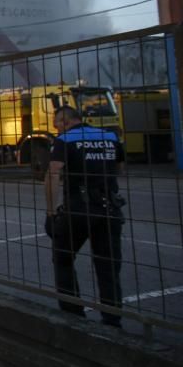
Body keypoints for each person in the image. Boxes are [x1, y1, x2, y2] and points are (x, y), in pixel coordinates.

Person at [44, 105, 125, 327]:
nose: (57, 130)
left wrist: (51, 213)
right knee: (107, 265)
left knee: (62, 257)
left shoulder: (65, 140)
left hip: (78, 209)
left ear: (65, 121)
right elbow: (119, 167)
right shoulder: (110, 136)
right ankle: (112, 319)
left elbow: (52, 174)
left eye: (57, 125)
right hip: (110, 208)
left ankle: (73, 314)